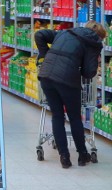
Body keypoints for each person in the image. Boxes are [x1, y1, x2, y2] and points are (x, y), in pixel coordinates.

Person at [35, 21, 106, 168]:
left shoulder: (66, 32)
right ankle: (82, 155)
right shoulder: (94, 44)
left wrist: (44, 54)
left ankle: (64, 157)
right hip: (67, 81)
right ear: (99, 37)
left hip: (46, 76)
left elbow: (39, 34)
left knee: (57, 116)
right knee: (74, 118)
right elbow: (88, 72)